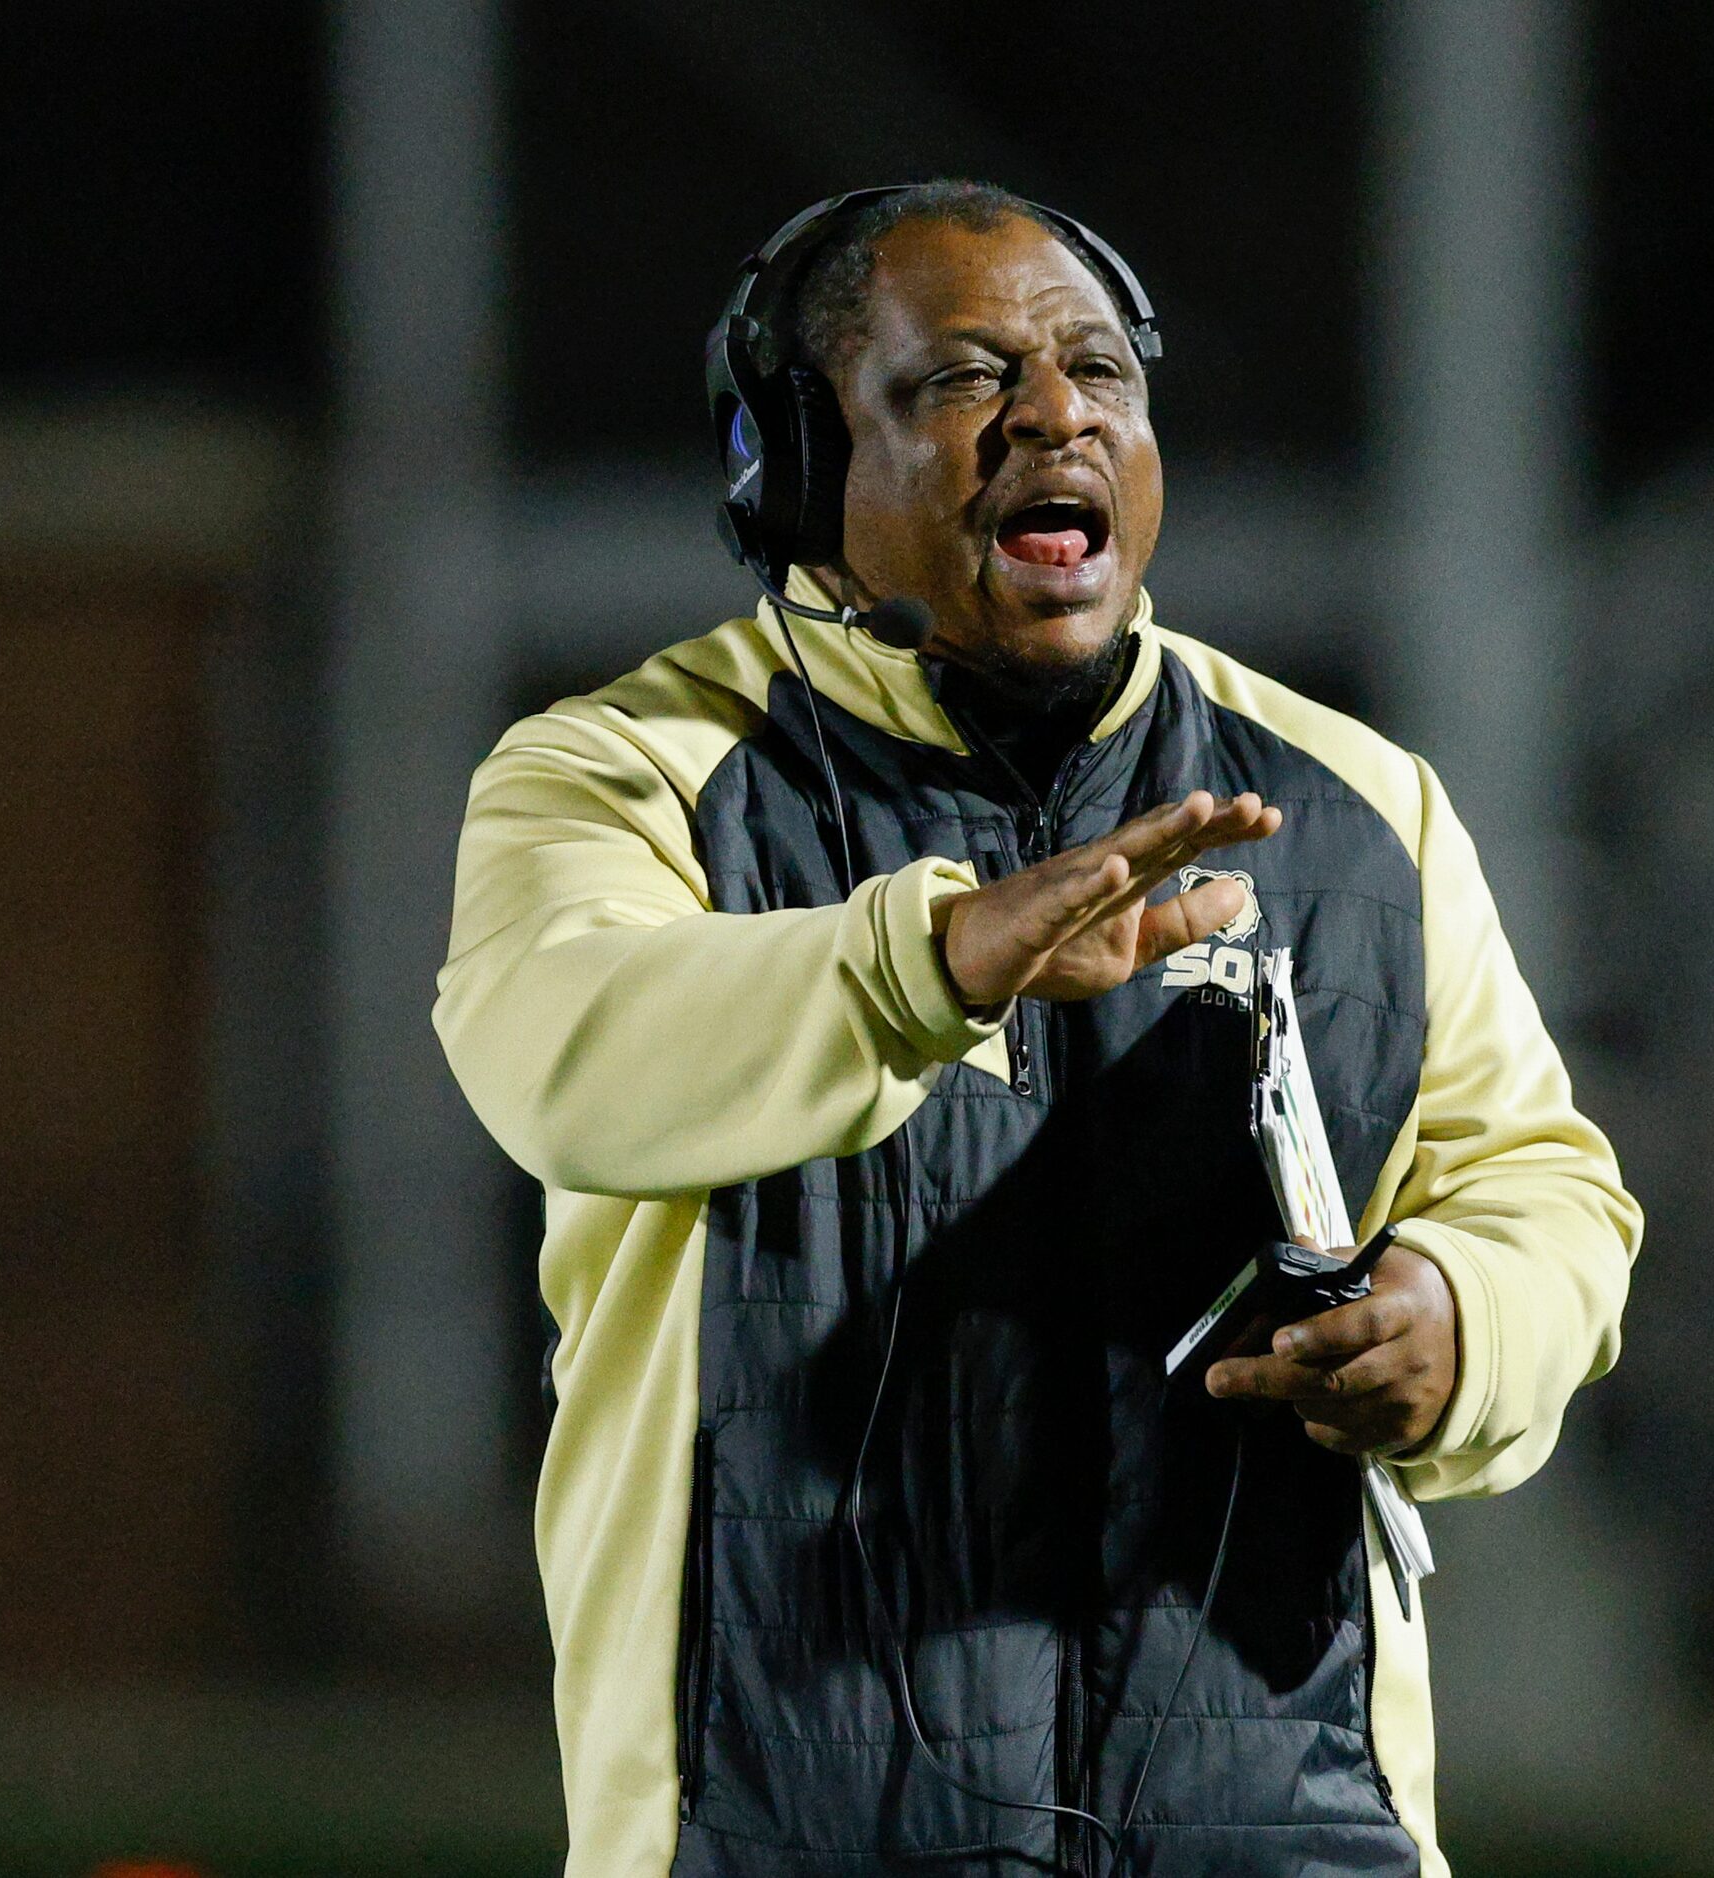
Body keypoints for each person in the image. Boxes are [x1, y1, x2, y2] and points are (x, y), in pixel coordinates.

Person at [434, 181, 1640, 1878]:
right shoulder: (627, 775)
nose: (1054, 415)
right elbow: (561, 1053)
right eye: (960, 380)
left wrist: (1465, 1320)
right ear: (784, 463)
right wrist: (923, 965)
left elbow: (1547, 1194)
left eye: (1099, 373)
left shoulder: (1358, 805)